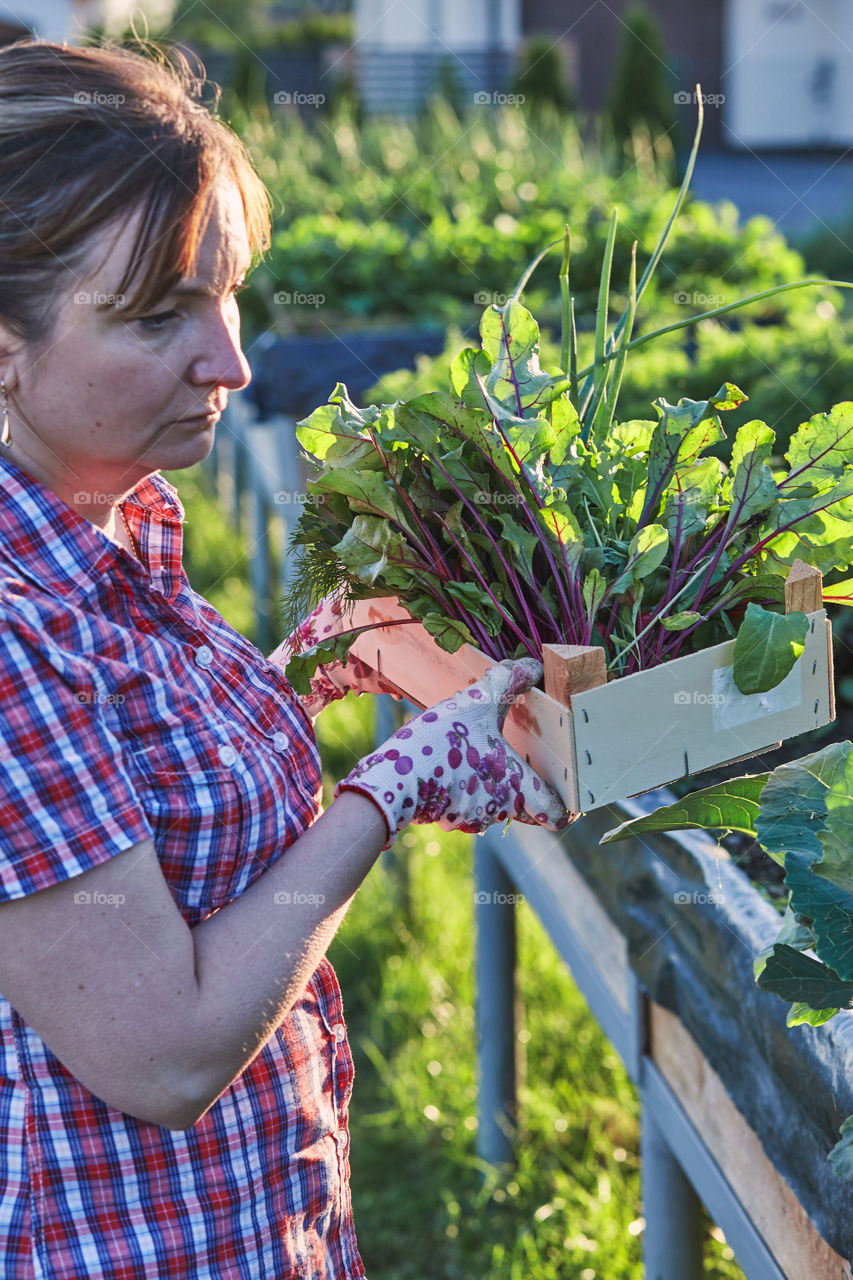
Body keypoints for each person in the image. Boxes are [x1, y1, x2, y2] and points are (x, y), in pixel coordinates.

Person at [0, 38, 569, 1280]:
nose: (232, 363)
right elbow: (168, 1049)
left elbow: (134, 794)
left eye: (227, 291)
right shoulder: (10, 624)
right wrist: (392, 789)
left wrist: (303, 668)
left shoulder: (110, 527)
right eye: (158, 317)